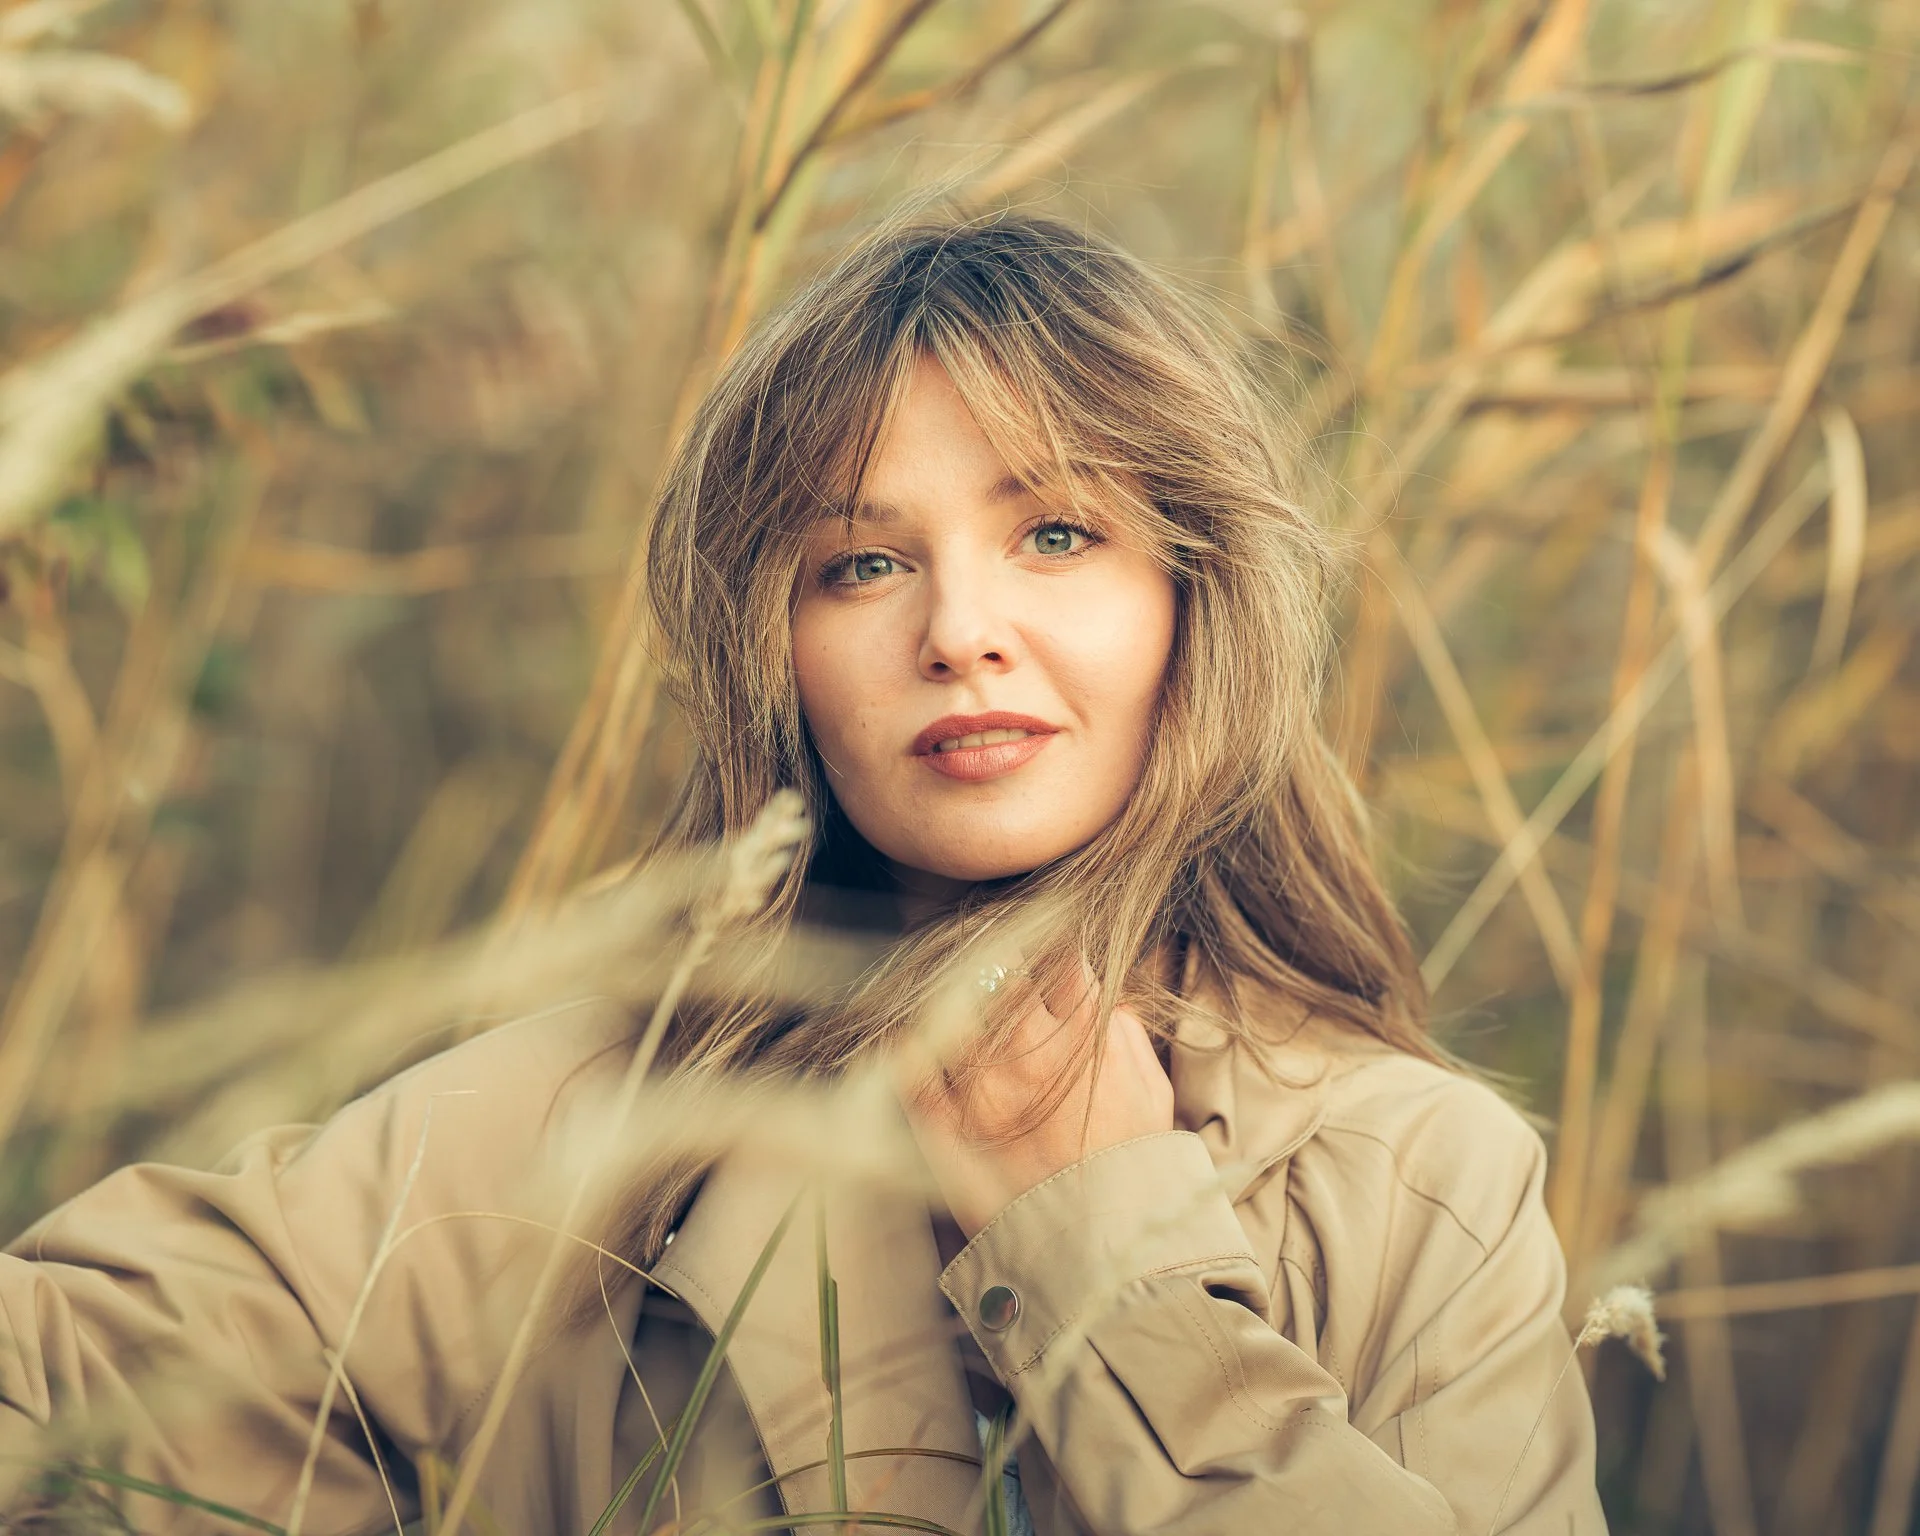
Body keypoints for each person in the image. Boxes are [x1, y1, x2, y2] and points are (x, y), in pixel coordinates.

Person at [0, 212, 1607, 1535]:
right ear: (777, 651)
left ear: (1198, 601)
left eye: (1057, 535)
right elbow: (57, 1400)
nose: (961, 630)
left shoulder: (1417, 1183)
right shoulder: (598, 1122)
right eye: (864, 563)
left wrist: (1108, 1267)